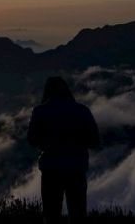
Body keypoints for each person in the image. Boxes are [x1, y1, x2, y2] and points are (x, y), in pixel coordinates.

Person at [27, 76, 100, 224]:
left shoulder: (40, 111)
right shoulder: (82, 111)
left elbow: (32, 140)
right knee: (78, 213)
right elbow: (94, 141)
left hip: (51, 168)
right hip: (76, 167)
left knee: (51, 214)